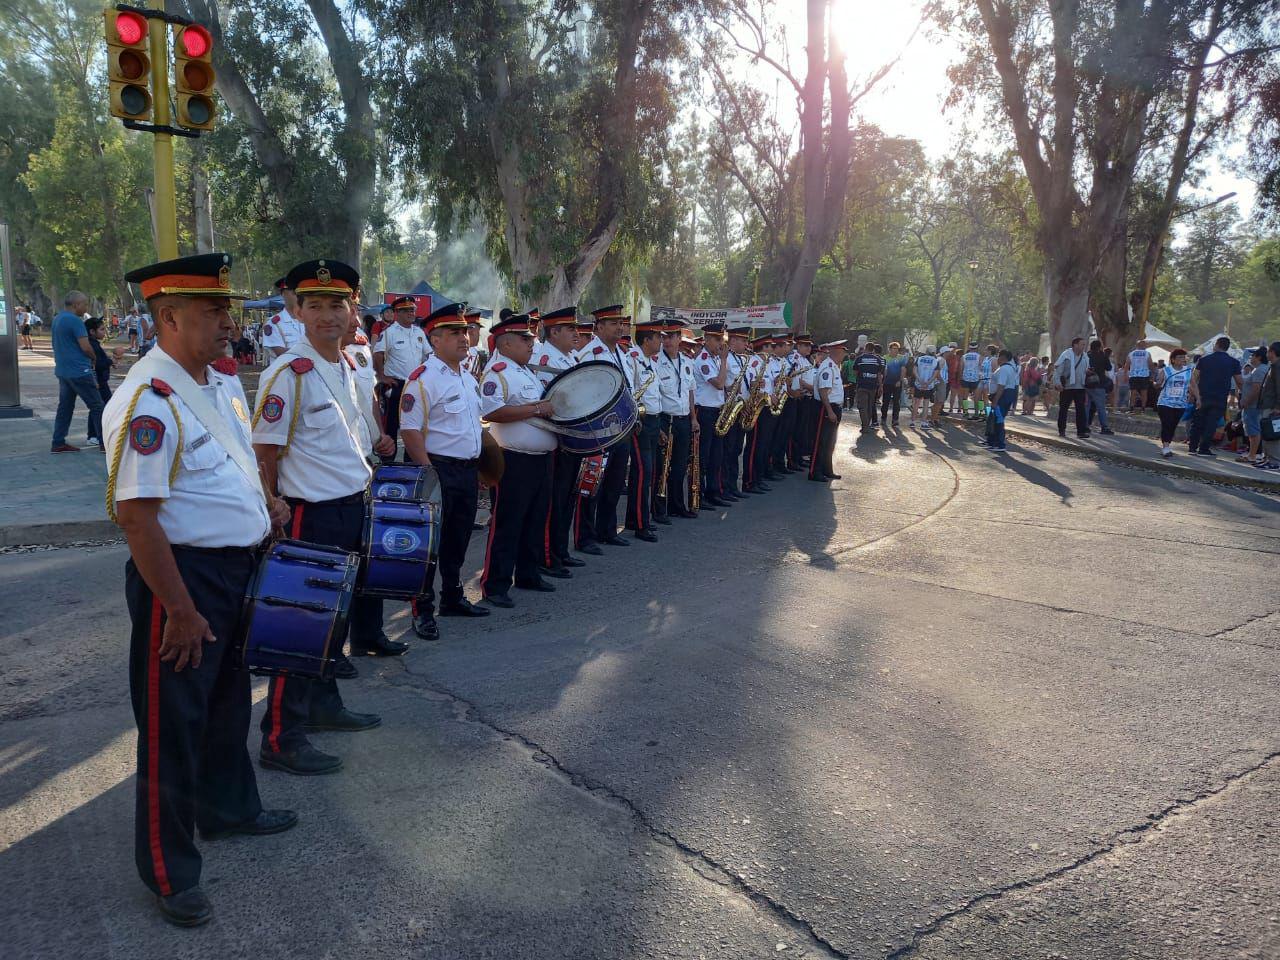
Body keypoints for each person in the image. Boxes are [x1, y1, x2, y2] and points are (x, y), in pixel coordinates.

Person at [103, 252, 296, 927]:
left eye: (226, 308)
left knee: (224, 704)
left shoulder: (218, 385)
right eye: (213, 311)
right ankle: (168, 869)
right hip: (180, 582)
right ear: (168, 317)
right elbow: (136, 515)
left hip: (234, 568)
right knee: (172, 727)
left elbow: (235, 468)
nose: (227, 321)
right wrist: (178, 610)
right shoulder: (145, 402)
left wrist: (263, 506)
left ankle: (230, 809)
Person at [252, 259, 390, 776]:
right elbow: (264, 448)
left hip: (350, 505)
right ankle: (281, 737)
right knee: (299, 625)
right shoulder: (287, 373)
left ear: (353, 308)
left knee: (334, 620)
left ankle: (325, 705)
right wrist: (273, 506)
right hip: (310, 514)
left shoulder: (348, 368)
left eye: (338, 304)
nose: (327, 315)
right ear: (298, 310)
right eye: (316, 305)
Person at [399, 301, 491, 629]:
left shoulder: (466, 377)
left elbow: (471, 427)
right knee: (428, 546)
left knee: (458, 539)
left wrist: (479, 467)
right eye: (454, 332)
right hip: (438, 470)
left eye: (465, 331)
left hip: (466, 470)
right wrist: (430, 475)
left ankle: (453, 597)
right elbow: (410, 431)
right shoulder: (423, 379)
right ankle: (422, 610)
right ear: (434, 340)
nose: (464, 337)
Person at [478, 313, 560, 606]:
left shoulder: (526, 372)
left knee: (535, 519)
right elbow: (491, 412)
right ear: (507, 342)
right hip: (513, 460)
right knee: (508, 523)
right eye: (525, 339)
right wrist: (537, 409)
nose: (531, 344)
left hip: (540, 459)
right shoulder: (498, 372)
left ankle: (528, 574)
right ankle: (495, 585)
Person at [530, 307, 586, 572]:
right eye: (570, 329)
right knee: (555, 500)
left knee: (568, 497)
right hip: (558, 436)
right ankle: (548, 557)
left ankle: (561, 551)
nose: (576, 334)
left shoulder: (570, 356)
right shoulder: (544, 358)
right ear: (554, 332)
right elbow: (550, 401)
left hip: (573, 436)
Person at [576, 305, 635, 546]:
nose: (619, 327)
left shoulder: (620, 352)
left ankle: (607, 530)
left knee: (614, 480)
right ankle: (584, 536)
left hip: (621, 427)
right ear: (598, 327)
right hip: (598, 429)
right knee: (592, 483)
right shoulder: (592, 353)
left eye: (620, 323)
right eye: (613, 323)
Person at [373, 295, 431, 461]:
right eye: (406, 310)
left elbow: (429, 355)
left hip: (415, 385)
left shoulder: (419, 332)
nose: (411, 313)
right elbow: (378, 353)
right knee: (391, 425)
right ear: (396, 313)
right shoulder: (389, 333)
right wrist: (382, 376)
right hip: (396, 384)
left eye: (412, 310)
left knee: (414, 424)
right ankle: (388, 463)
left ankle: (410, 459)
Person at [50, 291, 106, 454]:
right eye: (85, 304)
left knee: (65, 407)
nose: (86, 307)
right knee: (97, 406)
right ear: (76, 305)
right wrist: (94, 358)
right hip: (79, 371)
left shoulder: (58, 319)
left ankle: (58, 442)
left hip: (63, 370)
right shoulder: (75, 321)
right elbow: (85, 346)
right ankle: (105, 443)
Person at [625, 320, 665, 539]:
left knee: (646, 473)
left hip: (653, 421)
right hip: (640, 421)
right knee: (643, 472)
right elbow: (630, 392)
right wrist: (638, 421)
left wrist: (657, 427)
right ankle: (642, 524)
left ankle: (635, 517)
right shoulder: (633, 359)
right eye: (658, 337)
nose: (661, 340)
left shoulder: (652, 360)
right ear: (646, 339)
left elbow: (654, 395)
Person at [655, 319, 698, 521]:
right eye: (664, 337)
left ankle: (677, 505)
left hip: (683, 420)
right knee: (663, 467)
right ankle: (659, 509)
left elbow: (690, 392)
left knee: (680, 465)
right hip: (666, 419)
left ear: (679, 338)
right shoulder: (656, 362)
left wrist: (694, 418)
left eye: (671, 336)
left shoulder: (687, 362)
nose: (667, 341)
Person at [693, 322, 730, 508]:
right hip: (705, 411)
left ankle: (713, 492)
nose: (720, 344)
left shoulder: (715, 358)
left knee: (717, 455)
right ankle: (698, 495)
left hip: (717, 410)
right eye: (716, 339)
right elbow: (719, 384)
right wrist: (724, 361)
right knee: (704, 456)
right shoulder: (703, 360)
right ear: (706, 339)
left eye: (721, 339)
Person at [1188, 336, 1243, 457]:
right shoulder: (1234, 362)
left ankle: (1192, 447)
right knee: (1211, 423)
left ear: (1217, 345)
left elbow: (1194, 378)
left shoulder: (1204, 360)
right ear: (1227, 348)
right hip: (1220, 398)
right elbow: (1239, 381)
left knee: (1197, 422)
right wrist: (1241, 395)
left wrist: (1192, 394)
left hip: (1202, 396)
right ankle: (1204, 449)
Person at [809, 340, 845, 481]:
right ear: (837, 352)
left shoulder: (834, 366)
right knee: (821, 441)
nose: (844, 355)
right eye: (843, 352)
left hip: (834, 407)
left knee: (830, 441)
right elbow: (823, 391)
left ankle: (826, 469)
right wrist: (830, 411)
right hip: (826, 407)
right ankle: (815, 471)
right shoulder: (828, 367)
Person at [85, 317, 125, 443]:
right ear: (92, 331)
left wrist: (109, 362)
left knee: (98, 407)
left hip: (101, 380)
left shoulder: (94, 343)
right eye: (101, 329)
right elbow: (96, 364)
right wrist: (110, 361)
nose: (104, 332)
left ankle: (93, 435)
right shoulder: (92, 345)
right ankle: (95, 435)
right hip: (98, 381)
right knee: (102, 408)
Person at [1154, 348, 1193, 458]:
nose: (1182, 359)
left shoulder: (1188, 371)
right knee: (1167, 423)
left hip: (1180, 403)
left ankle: (1167, 444)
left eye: (1183, 357)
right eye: (1179, 357)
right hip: (1165, 402)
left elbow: (1193, 385)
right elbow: (1158, 383)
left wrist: (1198, 398)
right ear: (1173, 359)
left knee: (1173, 425)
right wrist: (1154, 383)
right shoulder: (1166, 370)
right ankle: (1166, 447)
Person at [981, 349, 1020, 452]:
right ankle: (991, 441)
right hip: (1002, 396)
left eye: (998, 356)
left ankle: (999, 444)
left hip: (1001, 397)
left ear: (1002, 358)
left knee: (998, 420)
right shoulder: (1008, 368)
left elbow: (1001, 387)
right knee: (992, 418)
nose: (997, 359)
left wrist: (995, 401)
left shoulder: (1004, 369)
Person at [1237, 347, 1270, 467]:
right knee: (1253, 429)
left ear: (1258, 357)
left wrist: (1245, 401)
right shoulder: (1261, 369)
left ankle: (1252, 455)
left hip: (1252, 405)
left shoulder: (1259, 371)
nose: (1250, 359)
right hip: (1255, 405)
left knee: (1253, 430)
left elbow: (1256, 389)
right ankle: (1252, 453)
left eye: (1252, 356)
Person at [1054, 337, 1091, 439]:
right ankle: (1061, 429)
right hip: (1067, 387)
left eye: (1084, 344)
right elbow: (1058, 370)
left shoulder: (1085, 357)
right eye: (1082, 344)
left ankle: (1081, 431)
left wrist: (1088, 373)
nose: (1084, 346)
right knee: (1064, 409)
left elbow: (1085, 369)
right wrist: (1057, 383)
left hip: (1080, 387)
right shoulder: (1066, 355)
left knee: (1081, 409)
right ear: (1075, 345)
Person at [259, 278, 304, 358]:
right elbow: (279, 352)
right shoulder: (273, 323)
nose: (297, 295)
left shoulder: (308, 321)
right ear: (283, 294)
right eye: (294, 292)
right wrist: (310, 353)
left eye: (300, 292)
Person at [852, 341, 885, 432]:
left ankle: (865, 425)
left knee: (862, 406)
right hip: (873, 386)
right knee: (870, 406)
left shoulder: (859, 359)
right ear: (873, 349)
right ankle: (867, 424)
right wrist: (881, 386)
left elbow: (855, 372)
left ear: (865, 348)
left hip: (862, 385)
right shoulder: (877, 360)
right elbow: (879, 374)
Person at [1085, 339, 1116, 435]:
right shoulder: (1102, 356)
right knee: (1101, 407)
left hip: (1087, 384)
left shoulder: (1086, 356)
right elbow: (1109, 368)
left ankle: (1085, 425)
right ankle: (1104, 427)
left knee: (1086, 406)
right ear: (1099, 347)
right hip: (1099, 384)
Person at [910, 345, 941, 428]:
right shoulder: (935, 360)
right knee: (926, 403)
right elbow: (935, 374)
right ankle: (923, 422)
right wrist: (928, 383)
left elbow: (914, 370)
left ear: (926, 351)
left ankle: (912, 421)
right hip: (929, 385)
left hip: (918, 384)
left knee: (916, 403)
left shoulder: (919, 359)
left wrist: (919, 380)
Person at [1125, 340, 1153, 413]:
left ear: (1137, 346)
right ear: (1143, 345)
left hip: (1133, 375)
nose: (1146, 346)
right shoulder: (1147, 353)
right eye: (1145, 345)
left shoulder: (1131, 353)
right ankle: (1143, 408)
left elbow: (1127, 365)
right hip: (1144, 375)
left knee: (1133, 392)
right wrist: (1152, 373)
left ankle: (1131, 407)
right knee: (1144, 392)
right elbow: (1150, 364)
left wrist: (1125, 375)